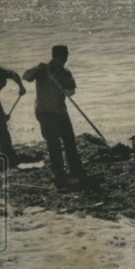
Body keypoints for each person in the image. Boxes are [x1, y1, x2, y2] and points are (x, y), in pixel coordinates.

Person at [23, 45, 85, 188]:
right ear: (55, 57)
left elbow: (72, 91)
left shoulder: (65, 72)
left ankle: (76, 169)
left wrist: (66, 90)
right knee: (53, 143)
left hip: (60, 111)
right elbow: (26, 76)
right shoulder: (42, 70)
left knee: (69, 140)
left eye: (66, 57)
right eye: (62, 57)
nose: (65, 60)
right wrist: (36, 68)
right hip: (44, 112)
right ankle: (59, 173)